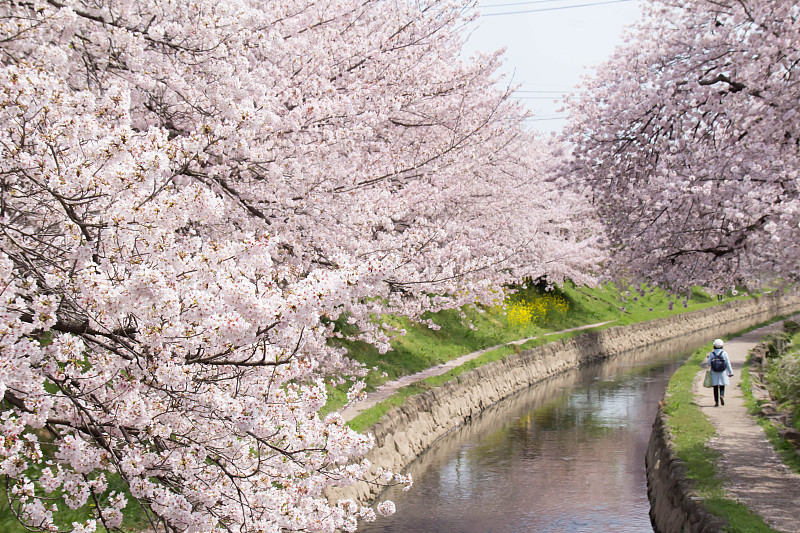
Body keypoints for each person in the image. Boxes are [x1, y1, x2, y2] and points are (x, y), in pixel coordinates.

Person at [706, 338, 734, 406]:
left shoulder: (712, 354)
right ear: (722, 346)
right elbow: (728, 363)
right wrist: (730, 372)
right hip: (723, 372)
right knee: (722, 385)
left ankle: (716, 402)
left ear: (714, 346)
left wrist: (708, 358)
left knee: (715, 387)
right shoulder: (724, 353)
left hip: (714, 372)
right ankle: (722, 395)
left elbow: (709, 364)